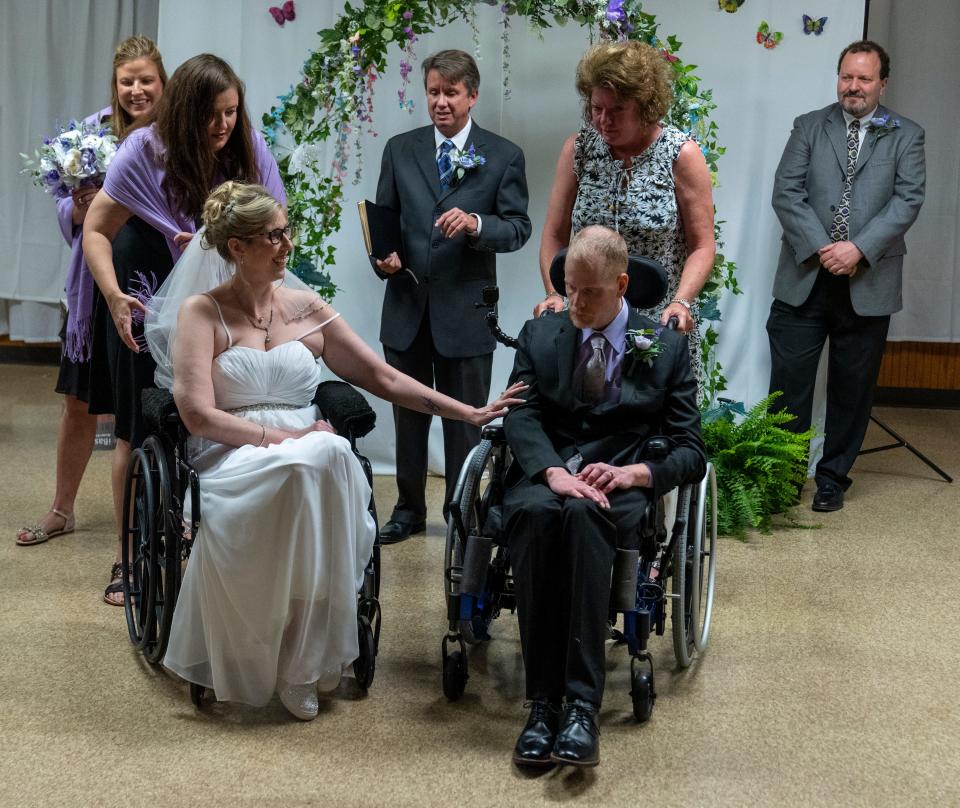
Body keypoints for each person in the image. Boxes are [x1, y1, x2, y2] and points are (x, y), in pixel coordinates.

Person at [147, 181, 525, 720]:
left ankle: (302, 658)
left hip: (311, 453)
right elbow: (198, 416)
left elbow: (382, 377)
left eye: (286, 232)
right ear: (237, 247)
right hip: (232, 454)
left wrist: (467, 411)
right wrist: (288, 440)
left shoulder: (306, 309)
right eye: (273, 236)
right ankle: (270, 651)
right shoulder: (201, 313)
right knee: (318, 457)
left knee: (323, 460)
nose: (287, 245)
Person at [83, 53, 285, 604]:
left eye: (231, 113)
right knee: (135, 424)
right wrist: (113, 297)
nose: (223, 127)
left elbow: (277, 230)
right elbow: (96, 231)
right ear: (184, 114)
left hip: (219, 300)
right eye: (211, 116)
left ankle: (199, 528)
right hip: (144, 293)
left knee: (207, 411)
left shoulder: (248, 151)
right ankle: (127, 560)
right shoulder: (142, 152)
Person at [502, 226, 705, 767]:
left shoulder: (665, 347)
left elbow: (692, 451)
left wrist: (638, 473)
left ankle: (581, 707)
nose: (576, 302)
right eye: (569, 288)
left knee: (587, 518)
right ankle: (542, 703)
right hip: (547, 478)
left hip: (618, 481)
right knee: (538, 515)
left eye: (589, 291)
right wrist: (550, 471)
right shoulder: (540, 334)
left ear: (621, 285)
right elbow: (520, 413)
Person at [373, 49, 531, 544]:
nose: (441, 102)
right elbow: (384, 221)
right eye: (434, 92)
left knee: (466, 421)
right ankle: (408, 509)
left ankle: (461, 511)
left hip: (465, 313)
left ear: (472, 96)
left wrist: (477, 224)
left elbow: (519, 228)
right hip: (407, 306)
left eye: (451, 93)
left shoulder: (503, 155)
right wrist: (384, 258)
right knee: (409, 416)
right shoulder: (400, 149)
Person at [16, 35, 167, 547]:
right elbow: (67, 209)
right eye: (128, 81)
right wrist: (79, 207)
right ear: (115, 84)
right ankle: (62, 509)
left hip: (148, 284)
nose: (137, 90)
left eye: (146, 80)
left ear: (163, 82)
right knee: (78, 403)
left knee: (148, 405)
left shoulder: (174, 136)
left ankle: (164, 513)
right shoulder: (92, 133)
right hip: (91, 292)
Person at [766, 40, 925, 512]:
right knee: (788, 384)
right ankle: (785, 476)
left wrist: (859, 248)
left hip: (868, 282)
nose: (853, 87)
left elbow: (907, 200)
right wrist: (824, 247)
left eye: (864, 78)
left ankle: (832, 477)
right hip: (806, 276)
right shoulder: (809, 126)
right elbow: (786, 192)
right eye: (846, 77)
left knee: (852, 389)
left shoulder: (907, 134)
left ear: (882, 84)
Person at [537, 40, 715, 398]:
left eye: (617, 110)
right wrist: (555, 293)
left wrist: (682, 301)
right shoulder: (580, 149)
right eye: (596, 108)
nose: (604, 120)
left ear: (646, 107)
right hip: (588, 317)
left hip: (657, 323)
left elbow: (702, 245)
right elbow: (554, 236)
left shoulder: (681, 155)